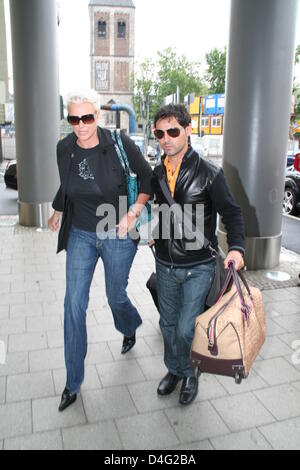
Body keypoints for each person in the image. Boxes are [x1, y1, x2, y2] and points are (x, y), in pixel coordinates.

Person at [48, 89, 152, 412]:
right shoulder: (64, 148)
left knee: (114, 294)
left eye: (87, 117)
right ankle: (72, 381)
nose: (80, 125)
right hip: (80, 231)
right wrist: (58, 209)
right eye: (74, 118)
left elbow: (148, 178)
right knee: (73, 304)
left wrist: (133, 212)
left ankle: (129, 324)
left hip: (117, 232)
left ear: (98, 115)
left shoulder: (119, 144)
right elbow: (67, 184)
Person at [151, 104, 245, 406]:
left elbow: (232, 213)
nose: (166, 138)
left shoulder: (209, 173)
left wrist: (237, 247)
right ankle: (175, 369)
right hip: (164, 264)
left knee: (185, 326)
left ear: (188, 130)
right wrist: (156, 233)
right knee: (167, 325)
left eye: (173, 131)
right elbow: (164, 207)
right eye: (160, 133)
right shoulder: (158, 172)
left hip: (198, 267)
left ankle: (191, 374)